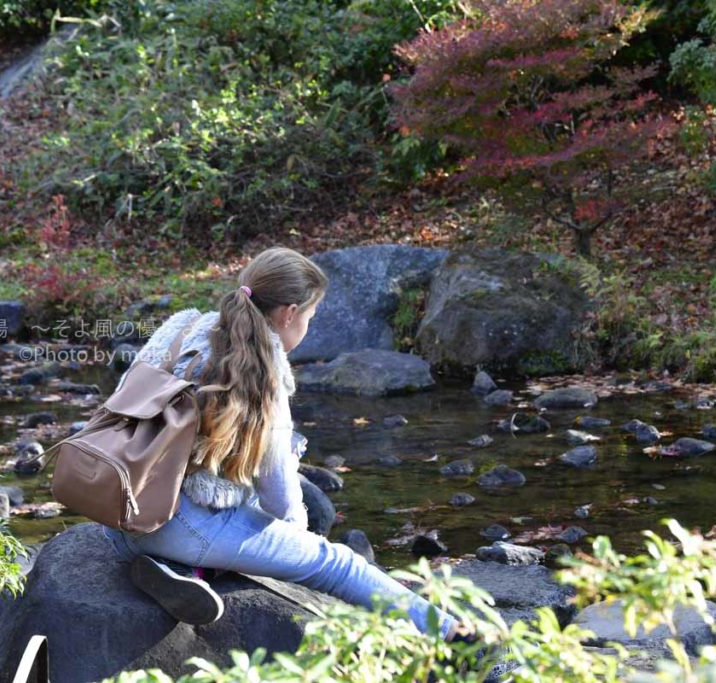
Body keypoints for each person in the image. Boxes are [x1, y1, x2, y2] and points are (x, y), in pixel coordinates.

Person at [101, 246, 462, 642]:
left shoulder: (182, 328)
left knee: (239, 514)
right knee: (339, 565)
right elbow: (283, 507)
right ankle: (455, 637)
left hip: (115, 509)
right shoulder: (264, 373)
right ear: (289, 313)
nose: (307, 326)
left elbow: (122, 405)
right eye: (310, 316)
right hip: (169, 522)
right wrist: (296, 540)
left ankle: (184, 570)